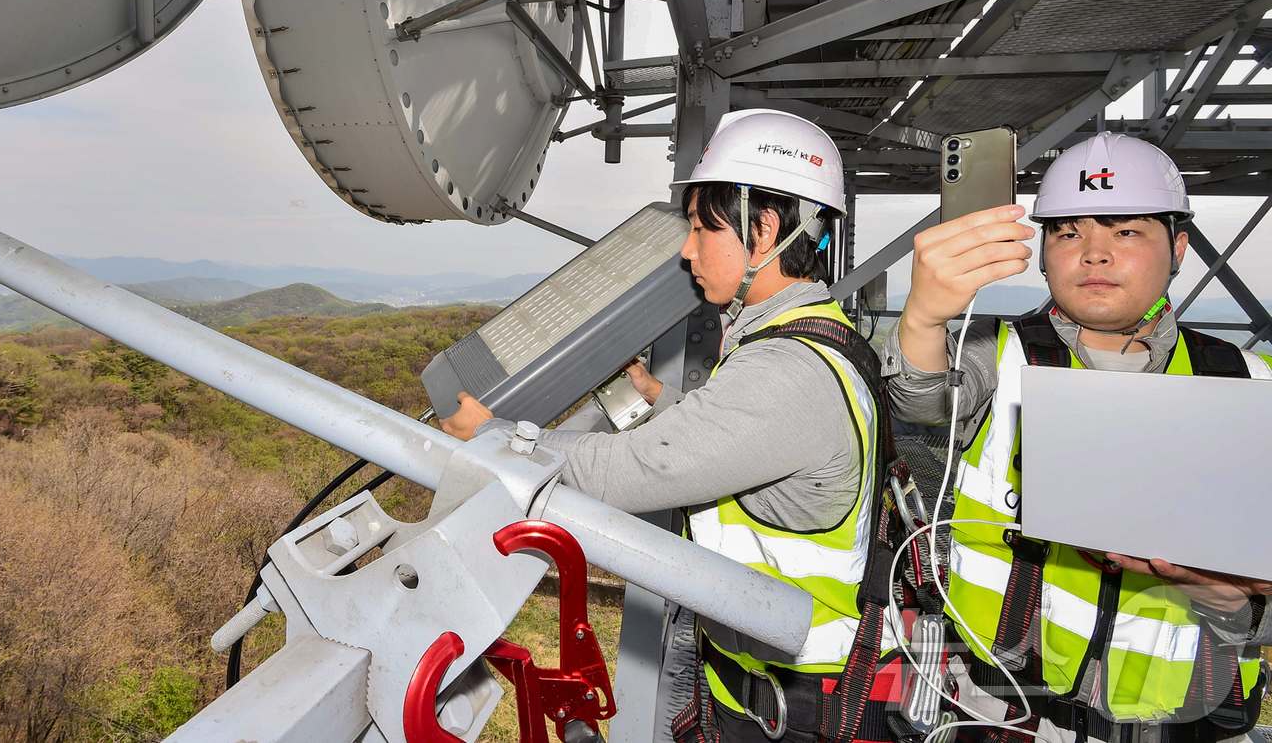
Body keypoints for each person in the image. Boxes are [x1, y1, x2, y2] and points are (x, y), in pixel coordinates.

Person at [442, 109, 898, 743]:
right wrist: (661, 399)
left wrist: (496, 438)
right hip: (768, 690)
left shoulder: (787, 370)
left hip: (791, 713)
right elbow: (739, 436)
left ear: (764, 230)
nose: (688, 250)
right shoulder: (804, 338)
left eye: (701, 228)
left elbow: (633, 470)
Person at [881, 132, 1272, 743]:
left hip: (1191, 723)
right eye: (1067, 233)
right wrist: (924, 319)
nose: (1094, 255)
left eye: (1126, 231)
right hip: (1007, 714)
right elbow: (921, 398)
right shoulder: (997, 355)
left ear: (1179, 247)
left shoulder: (1248, 383)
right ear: (1042, 253)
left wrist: (1244, 606)